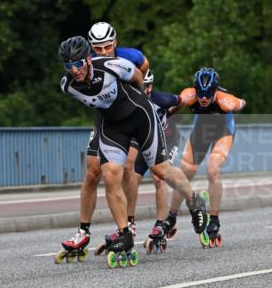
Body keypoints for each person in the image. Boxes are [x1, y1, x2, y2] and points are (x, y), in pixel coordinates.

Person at [57, 36, 208, 260]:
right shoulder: (68, 86)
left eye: (78, 63)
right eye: (68, 66)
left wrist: (136, 99)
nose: (74, 70)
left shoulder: (110, 65)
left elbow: (138, 78)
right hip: (112, 126)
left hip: (140, 116)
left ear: (88, 59)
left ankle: (195, 200)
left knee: (160, 170)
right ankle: (125, 233)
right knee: (110, 175)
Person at [62, 21, 149, 256]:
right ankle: (83, 232)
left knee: (127, 167)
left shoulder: (130, 55)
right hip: (105, 119)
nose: (103, 51)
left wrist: (142, 95)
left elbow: (144, 73)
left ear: (115, 42)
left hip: (131, 114)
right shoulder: (87, 61)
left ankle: (128, 224)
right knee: (92, 172)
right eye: (97, 48)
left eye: (107, 46)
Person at [162, 67, 247, 246]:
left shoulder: (225, 101)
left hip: (223, 133)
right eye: (201, 93)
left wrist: (237, 104)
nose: (204, 98)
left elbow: (242, 102)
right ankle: (171, 217)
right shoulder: (189, 95)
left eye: (209, 94)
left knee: (212, 170)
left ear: (215, 90)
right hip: (201, 132)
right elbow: (171, 109)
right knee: (183, 175)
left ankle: (214, 219)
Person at [132, 70, 182, 252]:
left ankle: (161, 224)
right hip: (147, 142)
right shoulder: (130, 100)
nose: (141, 90)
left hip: (168, 138)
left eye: (144, 87)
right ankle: (128, 224)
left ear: (150, 87)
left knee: (158, 177)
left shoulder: (161, 99)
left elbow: (181, 100)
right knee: (132, 177)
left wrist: (169, 114)